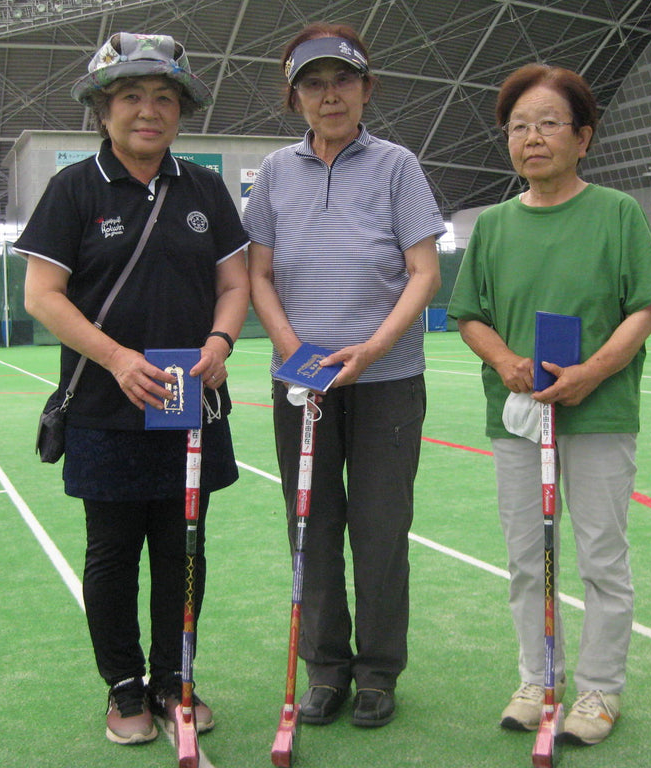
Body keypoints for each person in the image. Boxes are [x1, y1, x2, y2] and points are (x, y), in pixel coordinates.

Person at [15, 32, 249, 745]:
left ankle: (176, 680)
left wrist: (220, 341)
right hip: (103, 408)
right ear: (102, 108)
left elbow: (235, 283)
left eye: (164, 98)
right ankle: (123, 688)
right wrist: (118, 359)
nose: (149, 111)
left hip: (190, 406)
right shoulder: (72, 188)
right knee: (113, 553)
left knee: (185, 549)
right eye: (131, 97)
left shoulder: (205, 187)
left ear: (180, 111)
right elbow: (42, 295)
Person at [447, 63, 651, 746]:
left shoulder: (617, 213)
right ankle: (537, 677)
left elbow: (643, 310)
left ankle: (601, 690)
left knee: (601, 556)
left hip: (599, 414)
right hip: (518, 420)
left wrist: (591, 373)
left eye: (549, 124)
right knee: (526, 556)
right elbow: (470, 317)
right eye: (519, 126)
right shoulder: (490, 226)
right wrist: (507, 362)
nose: (533, 138)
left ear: (584, 137)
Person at [243, 23, 445, 728]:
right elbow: (257, 273)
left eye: (343, 81)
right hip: (300, 382)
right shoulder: (273, 173)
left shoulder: (396, 165)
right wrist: (293, 346)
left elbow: (424, 272)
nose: (330, 96)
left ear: (367, 89)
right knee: (311, 526)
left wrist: (371, 348)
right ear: (294, 97)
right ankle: (326, 668)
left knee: (382, 530)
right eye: (314, 83)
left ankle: (379, 671)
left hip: (387, 380)